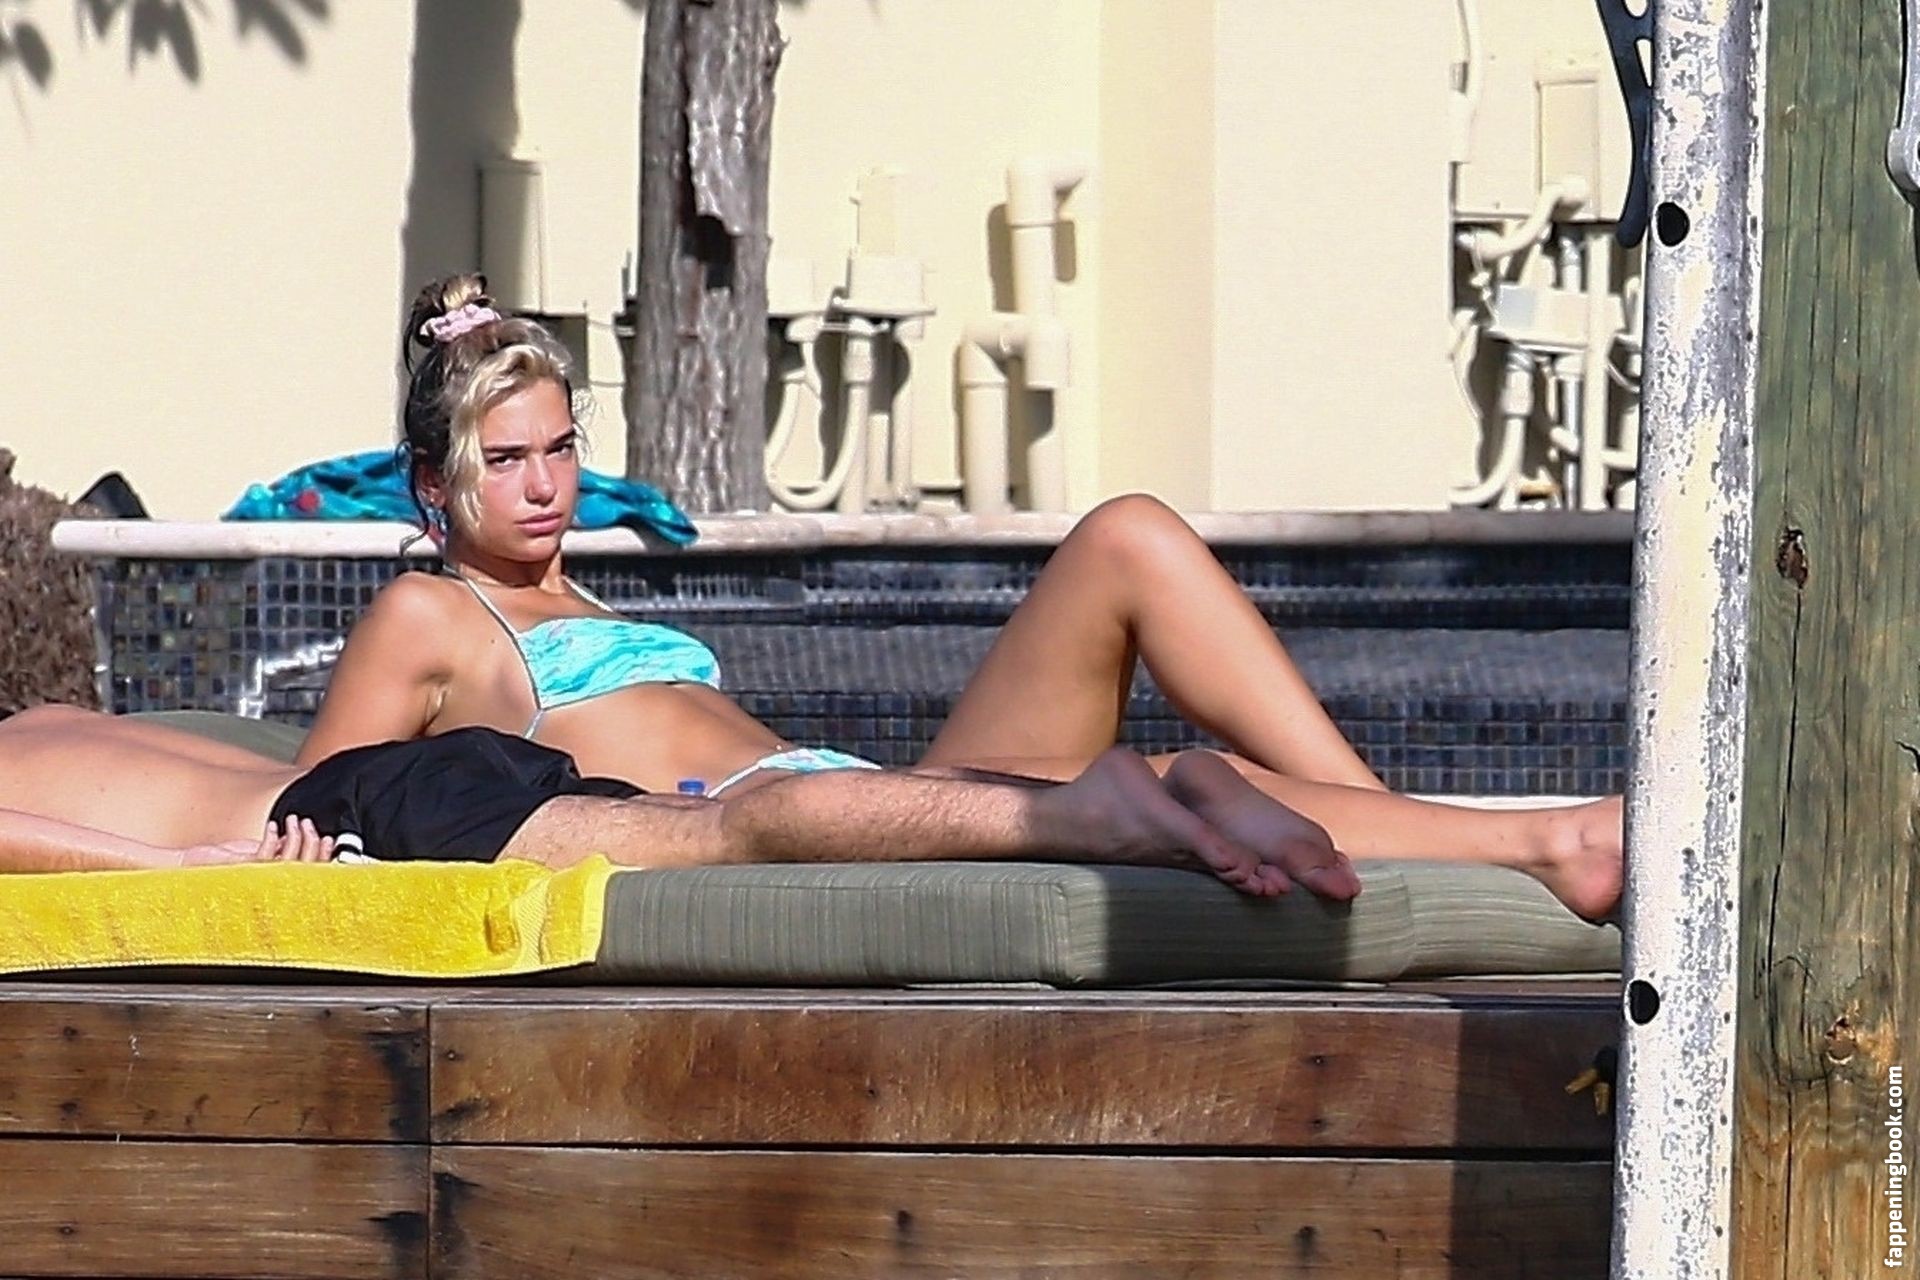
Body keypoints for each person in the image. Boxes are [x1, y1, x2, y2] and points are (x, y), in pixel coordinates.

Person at [297, 275, 1623, 919]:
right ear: (432, 485)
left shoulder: (579, 596)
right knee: (1173, 779)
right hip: (770, 836)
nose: (544, 485)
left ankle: (1410, 845)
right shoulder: (431, 615)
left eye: (559, 448)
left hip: (860, 789)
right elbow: (324, 803)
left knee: (1129, 536)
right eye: (504, 461)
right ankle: (1538, 846)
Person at [0, 704, 1357, 900]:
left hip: (362, 808)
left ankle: (1082, 815)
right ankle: (1131, 786)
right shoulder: (42, 716)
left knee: (730, 836)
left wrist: (194, 876)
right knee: (726, 813)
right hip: (403, 779)